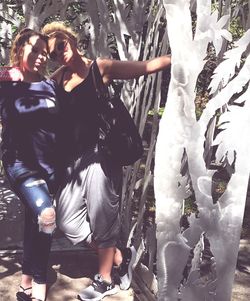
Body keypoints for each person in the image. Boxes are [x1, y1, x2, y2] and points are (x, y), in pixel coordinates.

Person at [41, 21, 171, 301]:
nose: (59, 54)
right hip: (72, 162)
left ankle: (105, 280)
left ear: (71, 40)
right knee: (68, 222)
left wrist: (180, 57)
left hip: (101, 155)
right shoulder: (56, 79)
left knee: (103, 220)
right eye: (52, 54)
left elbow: (146, 66)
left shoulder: (99, 68)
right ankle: (119, 257)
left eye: (61, 45)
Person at [0, 28, 63, 301]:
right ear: (20, 48)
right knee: (47, 216)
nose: (39, 57)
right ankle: (39, 288)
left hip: (47, 167)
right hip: (18, 163)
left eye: (44, 53)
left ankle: (25, 283)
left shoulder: (49, 85)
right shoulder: (6, 81)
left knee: (34, 222)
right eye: (34, 50)